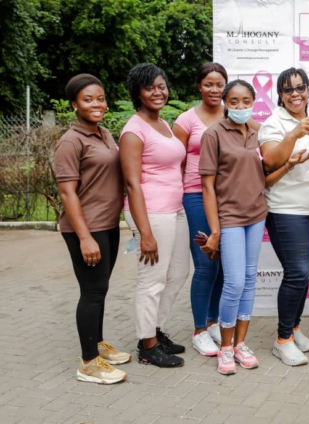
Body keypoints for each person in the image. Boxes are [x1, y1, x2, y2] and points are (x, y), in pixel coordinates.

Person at [55, 74, 129, 384]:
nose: (96, 104)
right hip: (86, 228)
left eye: (100, 98)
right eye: (88, 99)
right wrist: (85, 237)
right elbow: (67, 192)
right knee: (93, 291)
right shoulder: (71, 141)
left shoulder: (104, 134)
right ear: (74, 104)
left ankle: (96, 345)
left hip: (108, 224)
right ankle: (88, 363)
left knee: (101, 288)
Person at [258, 67, 309, 366]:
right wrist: (294, 133)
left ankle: (294, 327)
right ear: (280, 94)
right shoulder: (274, 123)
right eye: (288, 89)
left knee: (304, 274)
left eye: (300, 88)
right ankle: (282, 340)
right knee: (297, 273)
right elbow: (269, 163)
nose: (295, 94)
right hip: (286, 209)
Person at [120, 63, 189, 368]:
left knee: (178, 273)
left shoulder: (163, 124)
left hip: (175, 209)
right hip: (151, 213)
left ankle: (155, 330)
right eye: (150, 88)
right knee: (152, 279)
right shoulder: (133, 130)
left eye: (162, 86)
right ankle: (147, 345)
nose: (158, 92)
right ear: (138, 93)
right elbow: (132, 184)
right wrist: (145, 233)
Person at [198, 80, 268, 375]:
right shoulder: (213, 134)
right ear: (225, 103)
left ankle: (240, 344)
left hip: (257, 215)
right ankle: (225, 348)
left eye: (246, 101)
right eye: (235, 101)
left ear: (253, 102)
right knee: (235, 282)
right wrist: (215, 230)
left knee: (249, 280)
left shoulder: (259, 132)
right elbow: (207, 186)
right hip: (229, 218)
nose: (241, 106)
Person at [172, 63, 227, 356]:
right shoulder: (186, 120)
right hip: (195, 195)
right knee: (206, 263)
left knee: (223, 264)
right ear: (199, 86)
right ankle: (199, 330)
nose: (214, 90)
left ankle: (213, 321)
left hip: (227, 198)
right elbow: (176, 162)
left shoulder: (233, 115)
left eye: (219, 84)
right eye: (208, 84)